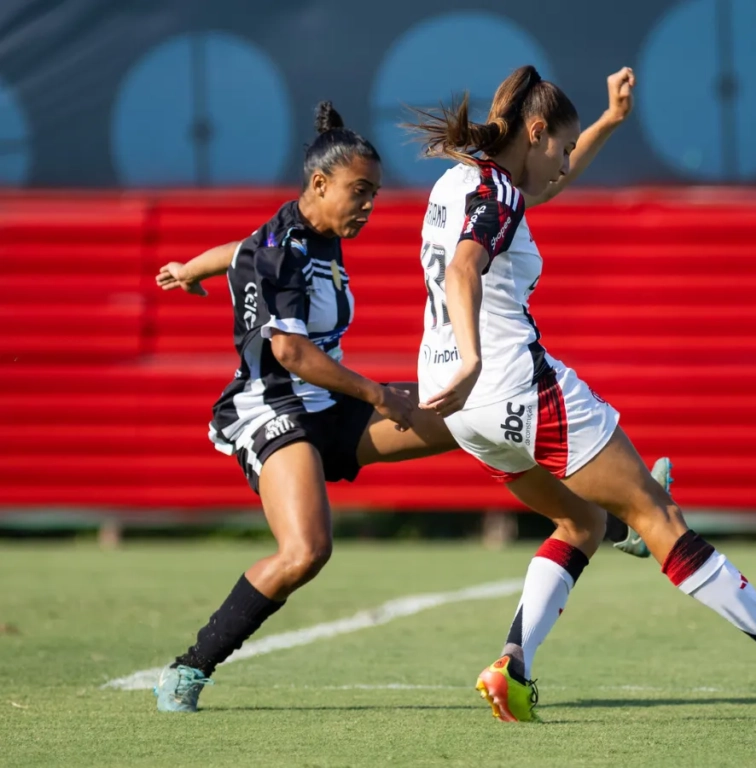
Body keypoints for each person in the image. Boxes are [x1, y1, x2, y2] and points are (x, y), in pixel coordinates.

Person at [151, 100, 658, 713]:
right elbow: (288, 350)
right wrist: (375, 393)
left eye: (374, 193)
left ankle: (611, 519)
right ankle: (189, 668)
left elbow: (237, 250)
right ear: (319, 184)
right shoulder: (281, 247)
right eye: (359, 192)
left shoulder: (306, 235)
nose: (368, 205)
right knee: (306, 552)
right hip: (272, 410)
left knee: (474, 410)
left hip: (328, 405)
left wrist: (187, 269)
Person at [409, 65, 756, 722]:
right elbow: (464, 266)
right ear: (534, 133)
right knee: (654, 512)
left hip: (460, 409)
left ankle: (514, 664)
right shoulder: (501, 196)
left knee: (583, 522)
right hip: (507, 380)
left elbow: (523, 198)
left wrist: (606, 123)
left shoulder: (462, 182)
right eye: (562, 147)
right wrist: (477, 356)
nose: (566, 163)